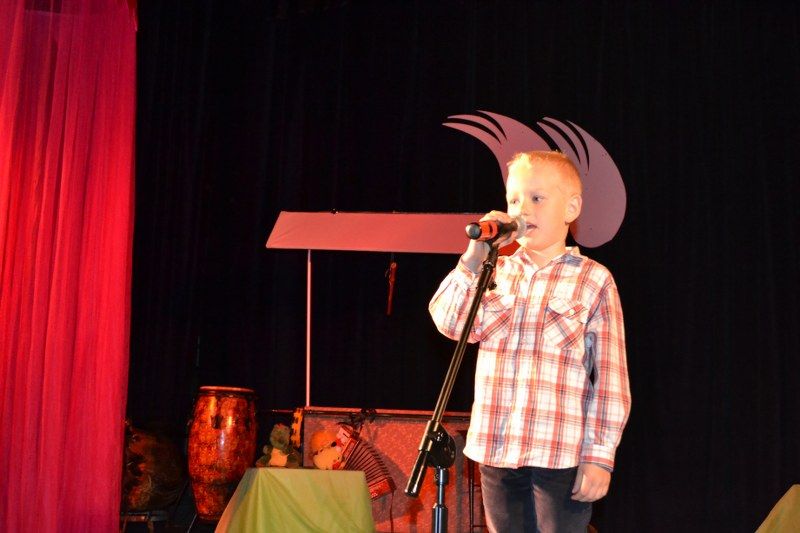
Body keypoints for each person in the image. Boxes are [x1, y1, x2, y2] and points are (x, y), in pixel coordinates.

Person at [429, 151, 631, 532]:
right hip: (497, 448)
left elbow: (610, 380)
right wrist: (472, 260)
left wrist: (599, 456)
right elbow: (449, 322)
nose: (522, 209)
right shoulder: (495, 272)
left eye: (537, 198)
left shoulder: (593, 279)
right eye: (514, 199)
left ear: (571, 208)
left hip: (560, 454)